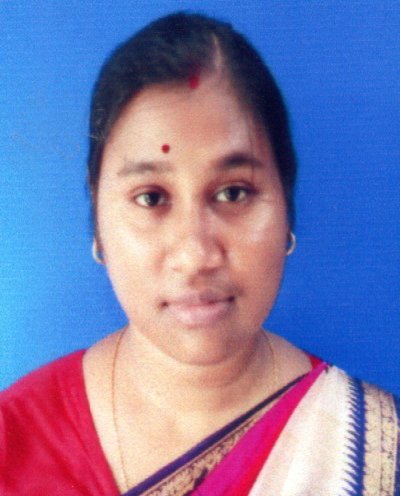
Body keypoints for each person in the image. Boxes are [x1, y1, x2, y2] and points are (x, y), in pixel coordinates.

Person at [1, 12, 399, 496]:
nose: (195, 255)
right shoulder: (14, 441)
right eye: (151, 198)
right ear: (98, 219)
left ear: (287, 208)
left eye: (233, 193)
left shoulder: (373, 452)